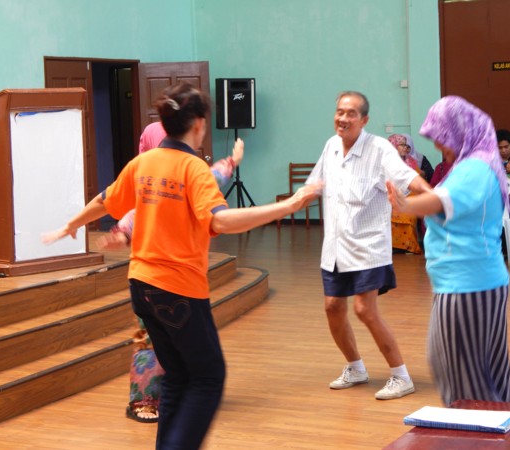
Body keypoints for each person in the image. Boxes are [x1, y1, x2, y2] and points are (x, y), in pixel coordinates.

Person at [43, 82, 319, 449]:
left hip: (141, 286)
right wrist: (288, 206)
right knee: (208, 377)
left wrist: (72, 224)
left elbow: (105, 200)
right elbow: (220, 221)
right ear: (200, 124)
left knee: (177, 376)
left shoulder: (144, 163)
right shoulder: (194, 168)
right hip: (178, 291)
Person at [99, 122, 245, 423]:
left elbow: (214, 176)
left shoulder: (188, 176)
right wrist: (121, 235)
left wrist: (232, 161)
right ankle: (144, 400)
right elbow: (131, 218)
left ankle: (171, 392)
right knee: (150, 341)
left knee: (172, 341)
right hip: (153, 280)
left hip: (174, 282)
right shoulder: (149, 185)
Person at [386, 95, 510, 406]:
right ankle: (493, 421)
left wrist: (405, 205)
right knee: (475, 370)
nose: (439, 145)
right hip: (470, 282)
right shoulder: (475, 164)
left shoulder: (475, 168)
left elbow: (442, 200)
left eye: (442, 137)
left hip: (468, 284)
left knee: (463, 377)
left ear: (461, 131)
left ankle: (480, 427)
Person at [306, 91, 430, 401]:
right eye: (339, 112)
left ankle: (401, 376)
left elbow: (407, 177)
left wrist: (433, 197)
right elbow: (314, 184)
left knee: (364, 309)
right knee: (333, 307)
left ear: (364, 120)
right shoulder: (331, 146)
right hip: (335, 247)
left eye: (351, 113)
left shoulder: (379, 149)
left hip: (368, 247)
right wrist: (286, 205)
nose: (343, 118)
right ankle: (356, 367)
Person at [387, 134, 423, 254]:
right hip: (389, 196)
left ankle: (407, 246)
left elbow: (416, 181)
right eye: (401, 145)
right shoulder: (385, 162)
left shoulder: (411, 162)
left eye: (406, 145)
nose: (405, 148)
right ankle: (390, 246)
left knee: (407, 213)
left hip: (408, 196)